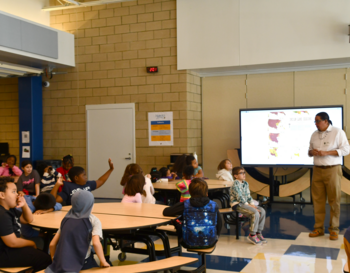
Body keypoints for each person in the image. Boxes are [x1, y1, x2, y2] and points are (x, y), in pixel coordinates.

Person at [308, 112, 350, 240]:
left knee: (334, 200)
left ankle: (334, 229)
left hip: (332, 169)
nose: (316, 124)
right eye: (315, 121)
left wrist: (328, 152)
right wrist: (312, 152)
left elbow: (346, 150)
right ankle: (318, 228)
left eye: (318, 121)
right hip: (317, 169)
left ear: (326, 121)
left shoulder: (338, 132)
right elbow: (309, 151)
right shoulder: (314, 134)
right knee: (318, 200)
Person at [46, 190, 109, 273]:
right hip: (82, 263)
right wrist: (103, 262)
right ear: (90, 205)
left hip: (63, 262)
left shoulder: (66, 219)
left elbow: (52, 244)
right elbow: (96, 243)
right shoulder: (93, 220)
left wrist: (55, 262)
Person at [0, 177, 52, 272]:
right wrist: (31, 243)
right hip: (3, 253)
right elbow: (12, 242)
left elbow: (28, 219)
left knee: (43, 254)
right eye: (13, 192)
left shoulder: (10, 209)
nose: (17, 195)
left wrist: (24, 205)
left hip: (9, 249)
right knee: (45, 259)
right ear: (2, 195)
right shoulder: (2, 214)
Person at [163, 178, 222, 249]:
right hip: (210, 242)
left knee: (177, 221)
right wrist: (217, 237)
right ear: (207, 193)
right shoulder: (214, 205)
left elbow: (166, 212)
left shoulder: (185, 204)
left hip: (187, 243)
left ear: (190, 192)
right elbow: (220, 223)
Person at [230, 166, 267, 245]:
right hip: (237, 204)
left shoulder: (246, 183)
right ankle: (252, 235)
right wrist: (250, 207)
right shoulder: (235, 184)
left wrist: (252, 204)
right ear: (235, 176)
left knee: (262, 211)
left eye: (244, 172)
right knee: (255, 213)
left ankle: (258, 233)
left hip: (245, 204)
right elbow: (240, 198)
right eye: (241, 173)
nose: (244, 174)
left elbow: (248, 196)